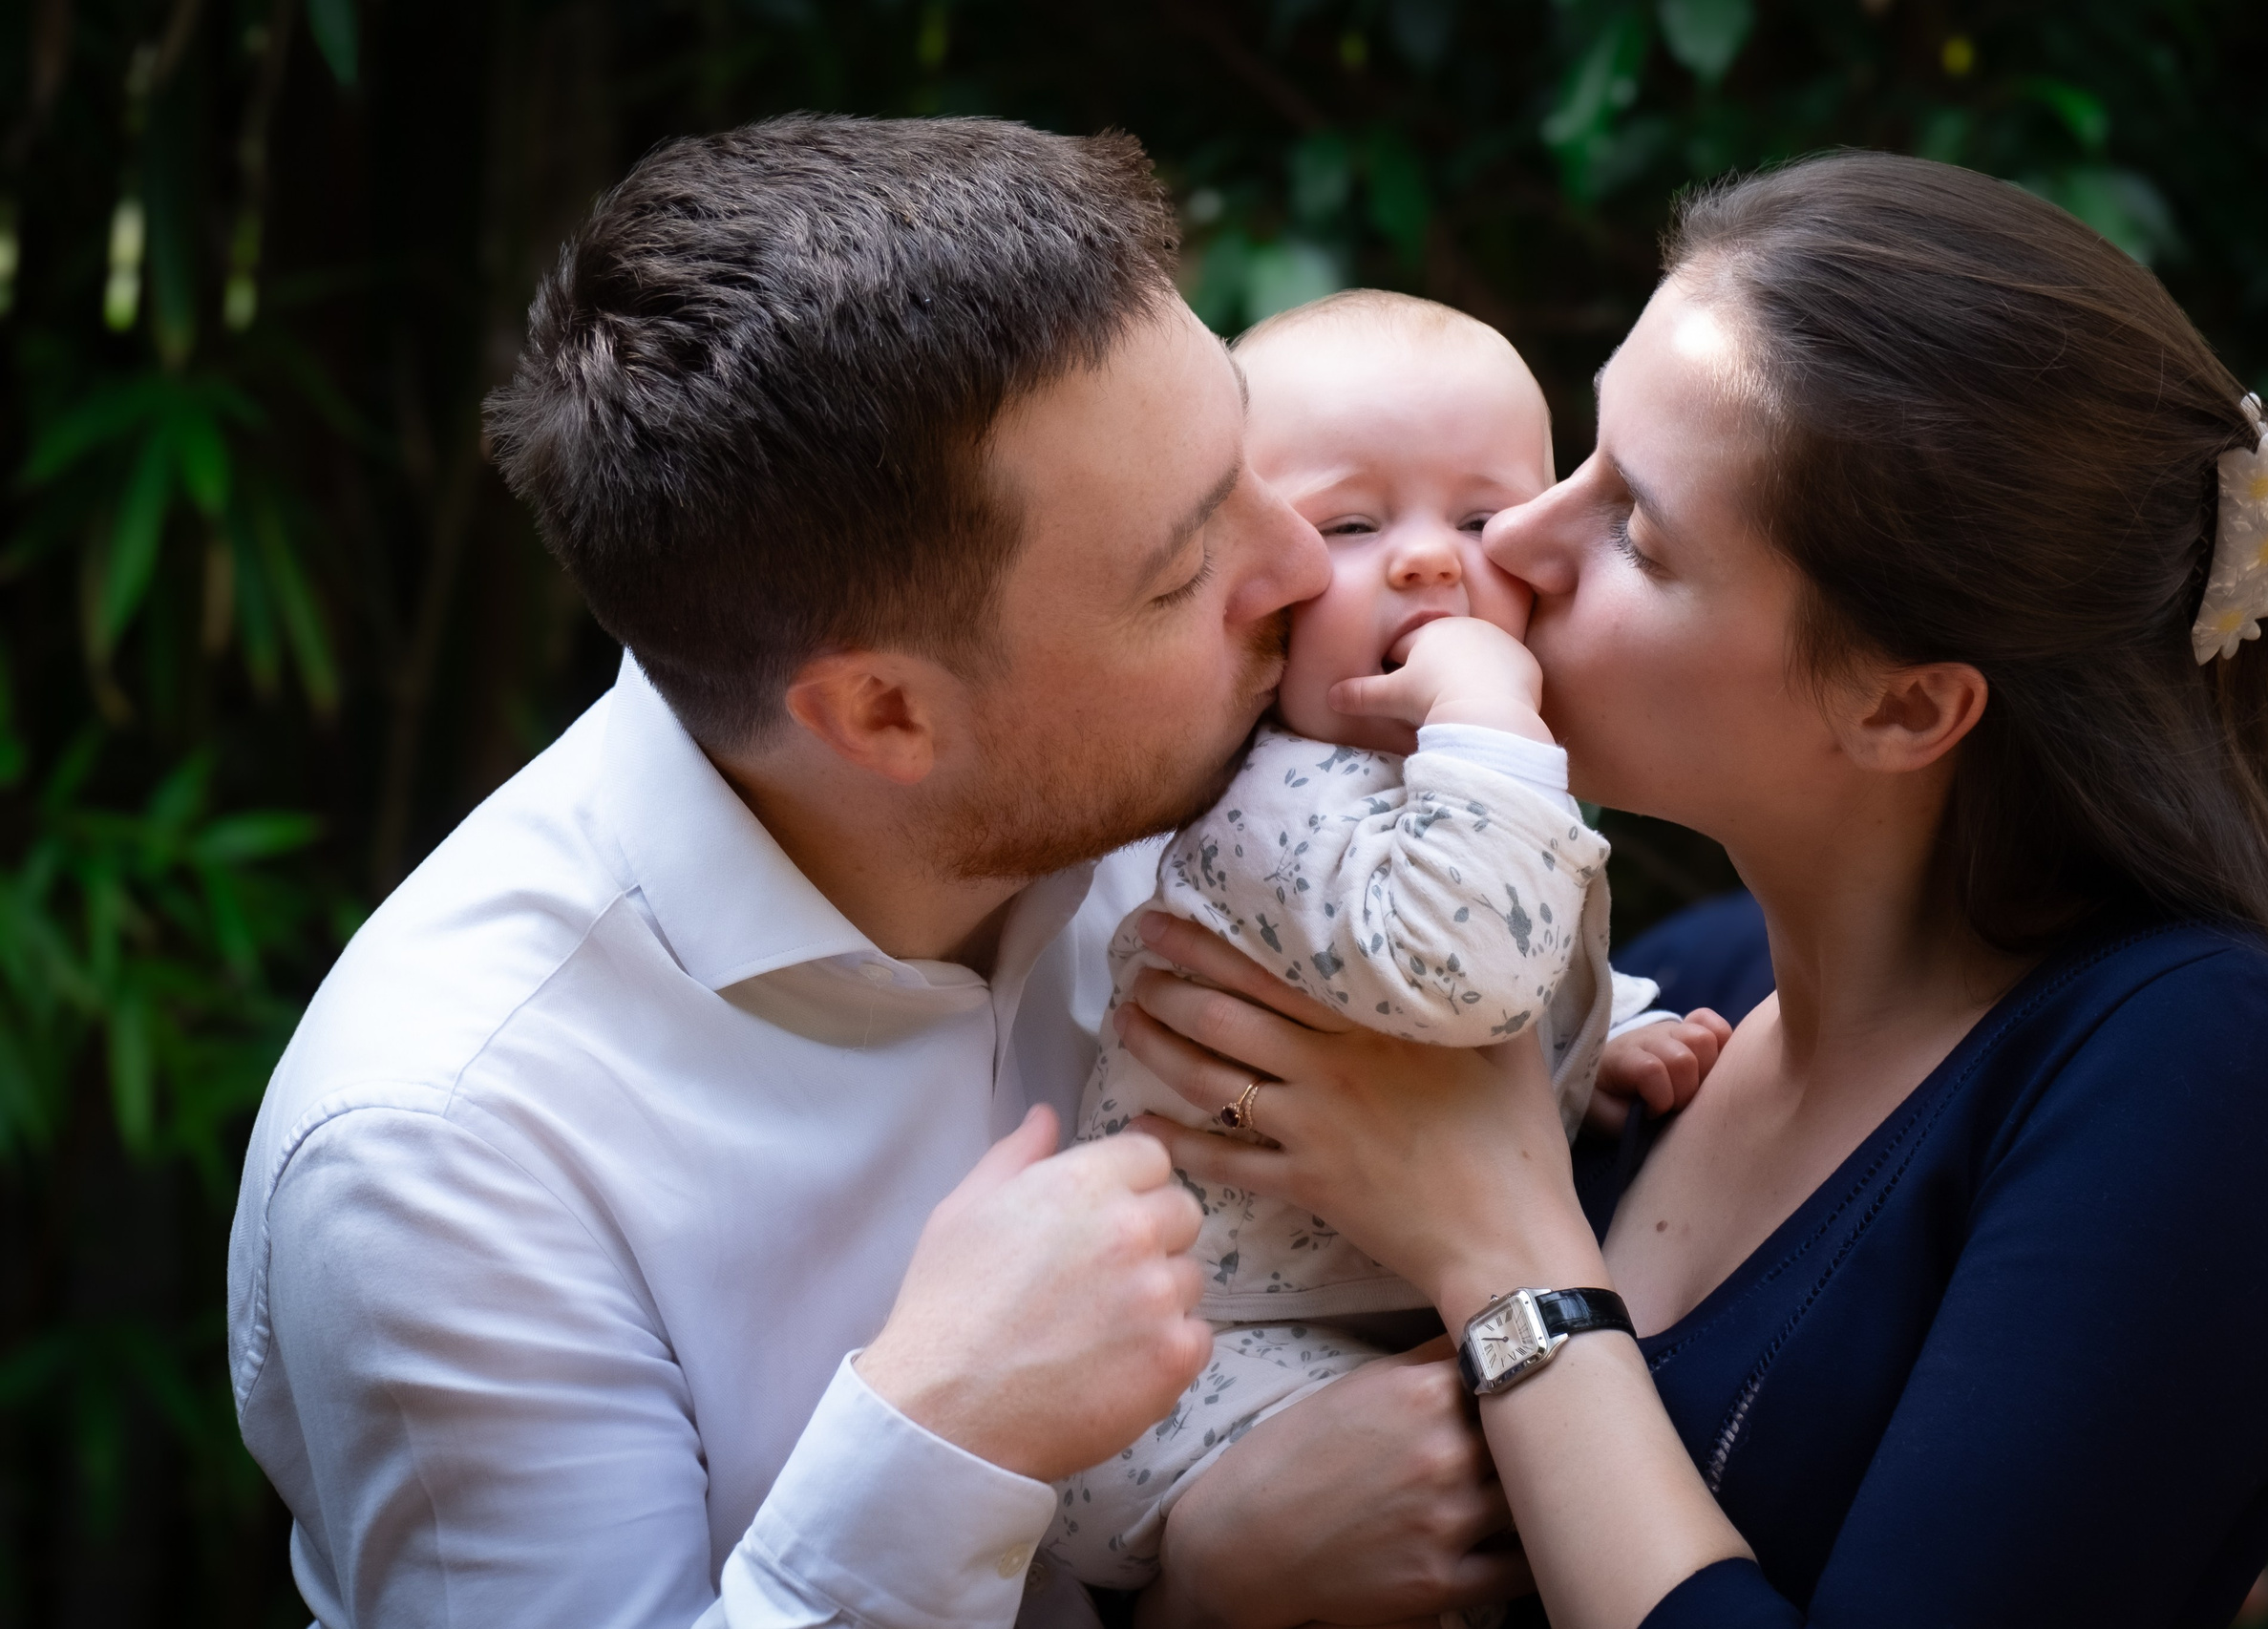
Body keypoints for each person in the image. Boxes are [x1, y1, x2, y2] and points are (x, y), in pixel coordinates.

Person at [224, 116, 1523, 1629]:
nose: (1304, 569)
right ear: (885, 713)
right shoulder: (448, 1155)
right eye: (1182, 573)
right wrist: (944, 1445)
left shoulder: (1226, 783)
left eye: (1250, 456)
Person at [1117, 152, 2268, 1628]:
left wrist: (1502, 1251)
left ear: (1903, 707)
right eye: (1584, 452)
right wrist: (1207, 1577)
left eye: (1637, 528)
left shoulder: (2190, 1067)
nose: (1522, 547)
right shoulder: (1668, 994)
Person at [1046, 291, 1728, 1590]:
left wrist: (1608, 1032)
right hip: (1204, 1380)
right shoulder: (1275, 799)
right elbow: (1459, 970)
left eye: (1481, 519)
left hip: (1333, 1332)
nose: (1428, 561)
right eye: (1351, 525)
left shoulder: (1456, 780)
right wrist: (1487, 707)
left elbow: (1508, 963)